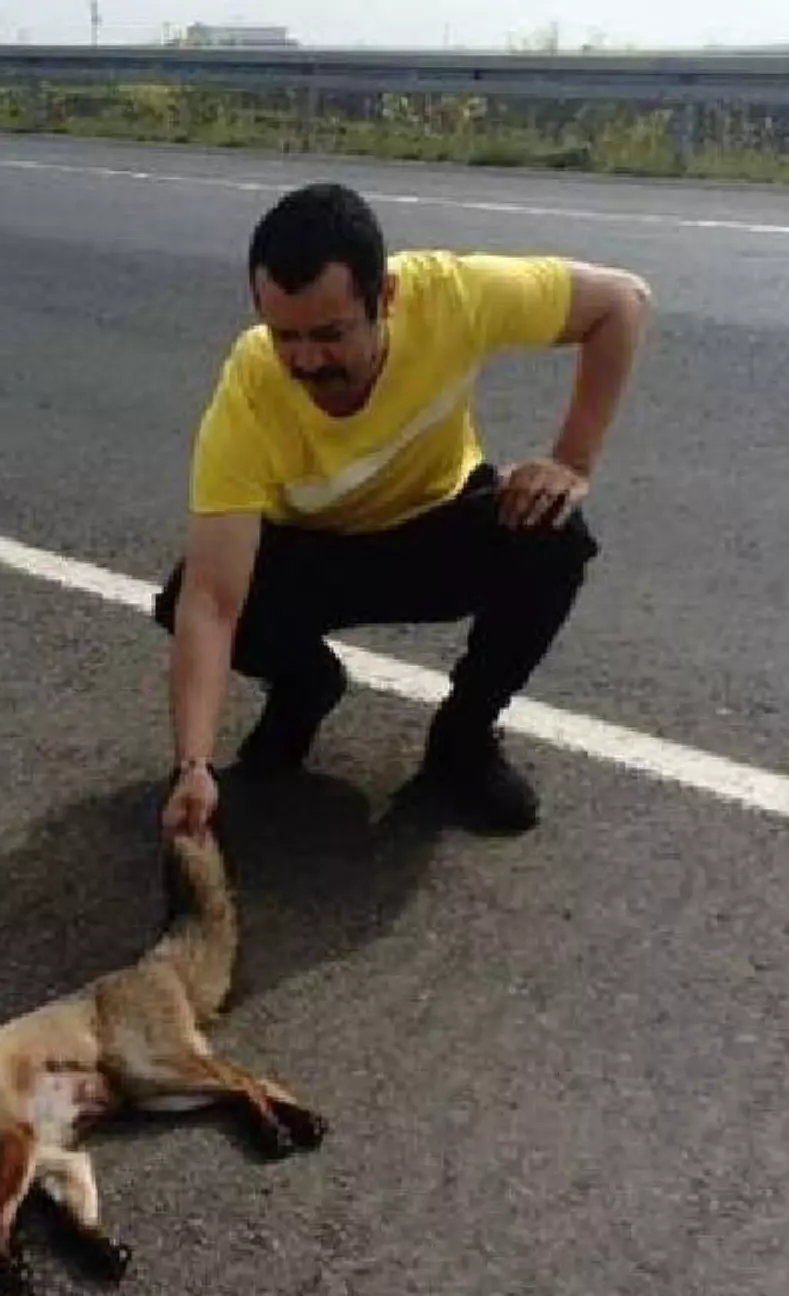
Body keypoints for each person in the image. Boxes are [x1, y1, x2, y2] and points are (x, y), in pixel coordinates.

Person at [155, 182, 651, 840]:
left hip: (431, 532)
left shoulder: (451, 296)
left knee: (552, 533)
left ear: (383, 297)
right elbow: (214, 601)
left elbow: (622, 301)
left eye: (331, 334)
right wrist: (193, 763)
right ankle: (306, 688)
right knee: (186, 595)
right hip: (316, 553)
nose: (306, 359)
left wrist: (573, 461)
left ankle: (462, 739)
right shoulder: (250, 385)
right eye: (286, 335)